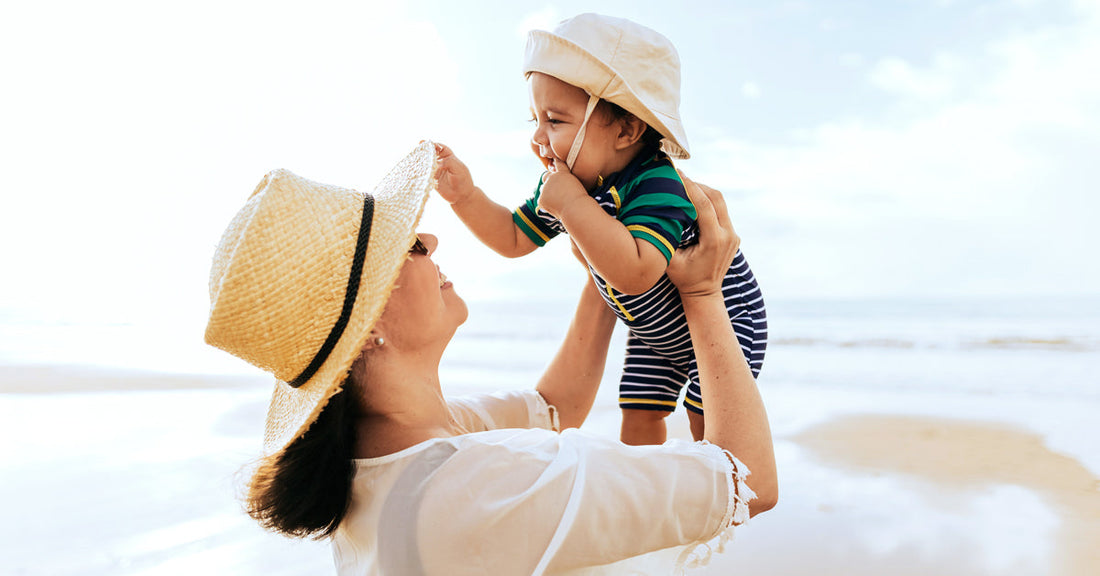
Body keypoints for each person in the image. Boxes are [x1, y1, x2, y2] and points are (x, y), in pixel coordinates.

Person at [204, 141, 777, 575]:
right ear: (370, 327)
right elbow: (744, 481)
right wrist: (703, 294)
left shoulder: (382, 453)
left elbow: (556, 405)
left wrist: (614, 259)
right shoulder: (486, 481)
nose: (431, 241)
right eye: (405, 246)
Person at [433, 13, 768, 446]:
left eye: (555, 120)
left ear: (627, 129)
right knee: (639, 412)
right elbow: (513, 238)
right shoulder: (571, 185)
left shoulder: (658, 185)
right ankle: (643, 491)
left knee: (708, 424)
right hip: (656, 332)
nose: (538, 136)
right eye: (533, 119)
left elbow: (637, 273)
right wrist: (466, 196)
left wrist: (572, 206)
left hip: (727, 320)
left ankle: (716, 496)